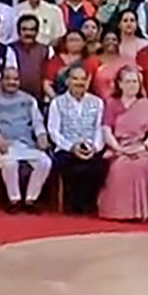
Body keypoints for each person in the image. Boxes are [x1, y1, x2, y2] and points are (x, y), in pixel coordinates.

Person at [0, 68, 53, 211]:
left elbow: (37, 121)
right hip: (5, 142)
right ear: (1, 81)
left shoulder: (28, 99)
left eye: (15, 79)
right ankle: (14, 200)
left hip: (27, 143)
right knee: (9, 163)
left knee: (45, 162)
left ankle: (31, 199)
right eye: (8, 79)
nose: (12, 82)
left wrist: (41, 136)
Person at [95, 65, 148, 221]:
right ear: (120, 84)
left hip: (141, 148)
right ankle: (118, 212)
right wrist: (119, 148)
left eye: (135, 82)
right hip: (117, 148)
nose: (132, 85)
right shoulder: (111, 104)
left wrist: (143, 147)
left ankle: (139, 213)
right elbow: (106, 129)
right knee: (120, 167)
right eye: (128, 81)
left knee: (141, 165)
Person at [47, 64, 107, 214]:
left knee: (97, 167)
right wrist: (72, 147)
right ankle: (74, 205)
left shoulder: (97, 102)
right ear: (67, 81)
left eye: (83, 79)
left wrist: (95, 147)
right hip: (67, 148)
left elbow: (99, 128)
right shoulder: (57, 102)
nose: (79, 82)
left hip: (91, 147)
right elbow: (54, 131)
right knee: (72, 166)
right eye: (75, 79)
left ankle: (88, 203)